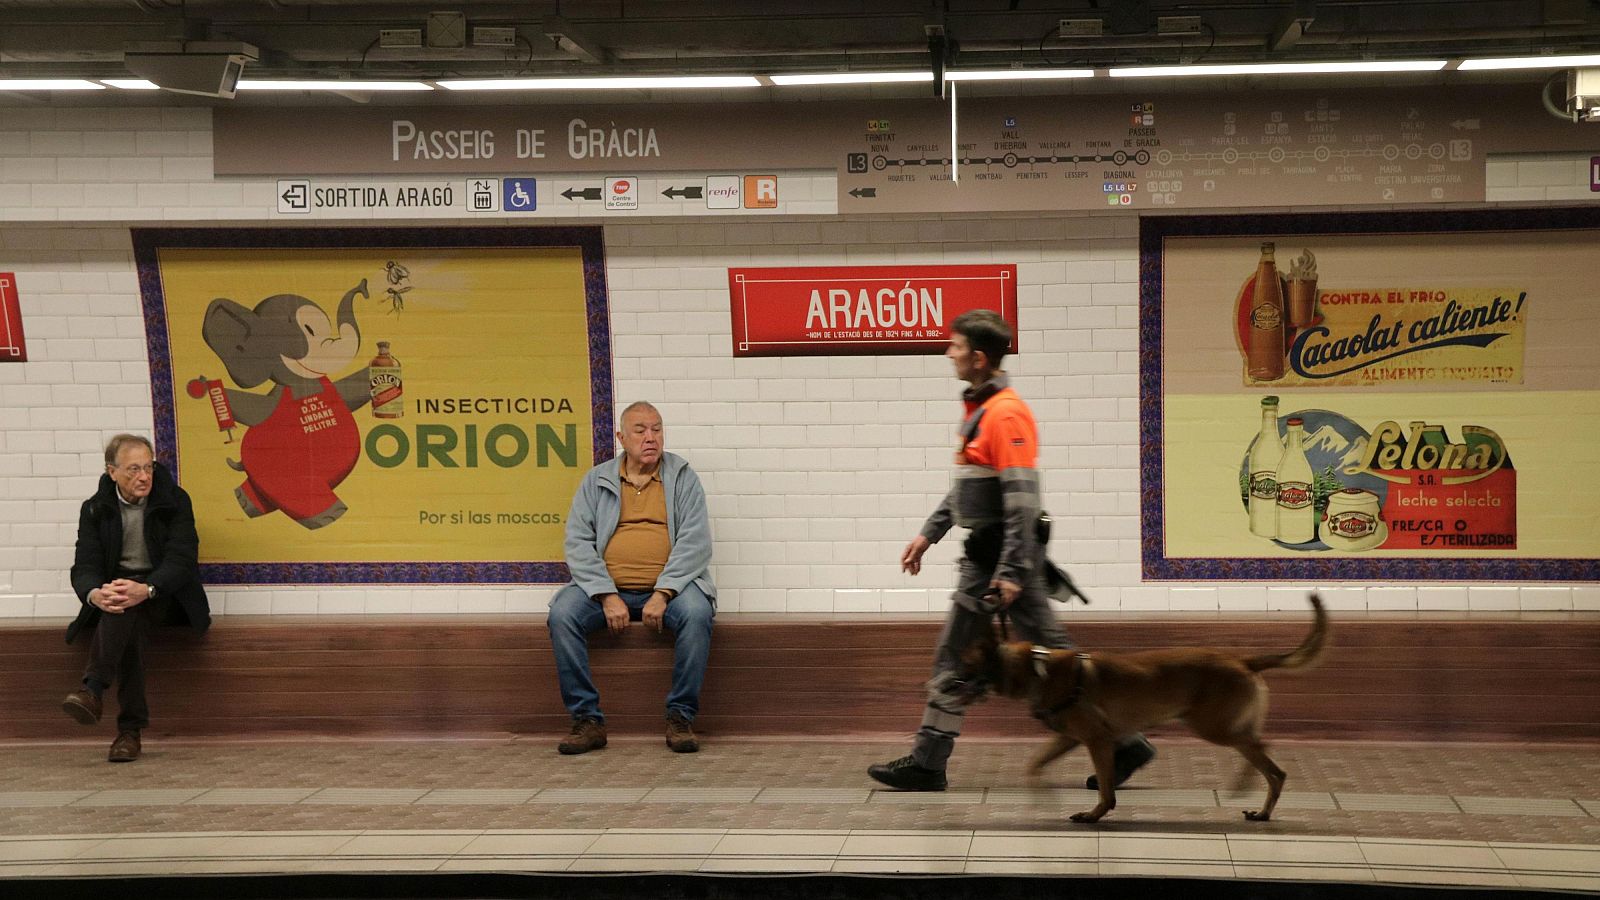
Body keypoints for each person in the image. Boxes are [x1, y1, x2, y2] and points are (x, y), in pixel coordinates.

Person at [867, 309, 1155, 791]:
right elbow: (968, 490)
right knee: (1042, 658)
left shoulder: (1005, 413)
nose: (947, 353)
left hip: (999, 566)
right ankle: (1126, 746)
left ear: (978, 358)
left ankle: (929, 762)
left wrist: (1009, 573)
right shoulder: (979, 412)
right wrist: (929, 534)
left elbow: (1022, 505)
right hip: (991, 563)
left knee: (1018, 660)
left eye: (954, 346)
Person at [547, 402, 716, 754]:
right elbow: (577, 542)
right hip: (606, 589)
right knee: (562, 614)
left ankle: (680, 716)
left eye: (657, 429)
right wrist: (606, 594)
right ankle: (587, 720)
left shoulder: (682, 477)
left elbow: (695, 542)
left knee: (698, 614)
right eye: (640, 430)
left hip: (671, 589)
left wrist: (664, 592)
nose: (650, 437)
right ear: (622, 437)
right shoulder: (596, 480)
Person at [60, 434, 211, 762]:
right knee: (122, 611)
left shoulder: (174, 501)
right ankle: (128, 732)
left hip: (166, 595)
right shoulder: (95, 508)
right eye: (133, 470)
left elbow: (182, 560)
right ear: (111, 471)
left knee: (124, 607)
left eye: (148, 468)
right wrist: (95, 595)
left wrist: (148, 589)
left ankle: (94, 692)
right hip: (122, 595)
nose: (143, 477)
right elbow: (85, 564)